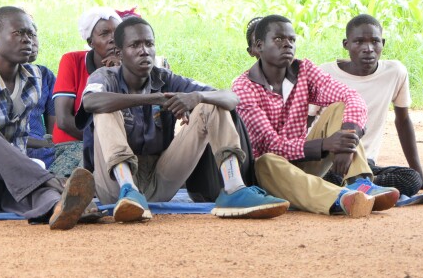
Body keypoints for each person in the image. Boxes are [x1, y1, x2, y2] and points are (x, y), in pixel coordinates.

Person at [79, 16, 289, 222]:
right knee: (105, 108)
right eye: (135, 45)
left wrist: (197, 97)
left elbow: (231, 98)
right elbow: (90, 102)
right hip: (114, 185)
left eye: (149, 44)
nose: (144, 51)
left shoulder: (165, 78)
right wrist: (155, 99)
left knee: (211, 103)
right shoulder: (105, 77)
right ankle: (129, 190)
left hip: (160, 180)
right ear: (120, 53)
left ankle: (234, 188)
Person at [232, 14, 400, 218]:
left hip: (303, 161)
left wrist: (346, 144)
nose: (287, 45)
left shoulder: (304, 70)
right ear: (258, 46)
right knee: (266, 160)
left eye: (292, 40)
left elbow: (351, 97)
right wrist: (326, 145)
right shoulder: (243, 87)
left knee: (339, 107)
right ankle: (340, 198)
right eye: (278, 39)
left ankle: (360, 183)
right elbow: (271, 145)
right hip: (268, 175)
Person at [0, 6, 97, 231]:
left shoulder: (34, 79)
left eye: (30, 34)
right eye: (18, 33)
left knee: (42, 193)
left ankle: (59, 206)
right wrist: (41, 174)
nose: (27, 40)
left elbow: (22, 142)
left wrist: (31, 172)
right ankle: (51, 182)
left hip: (14, 182)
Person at [316, 14, 423, 195]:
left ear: (383, 43)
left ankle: (360, 183)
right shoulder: (324, 73)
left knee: (412, 179)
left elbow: (403, 121)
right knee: (328, 176)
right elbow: (307, 122)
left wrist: (422, 177)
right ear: (346, 44)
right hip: (329, 161)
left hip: (365, 163)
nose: (368, 48)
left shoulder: (394, 72)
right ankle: (359, 187)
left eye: (375, 42)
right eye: (359, 42)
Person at [49, 8, 122, 176]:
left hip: (116, 145)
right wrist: (102, 141)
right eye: (104, 34)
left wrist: (119, 72)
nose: (113, 39)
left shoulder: (129, 67)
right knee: (84, 172)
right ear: (90, 42)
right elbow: (63, 120)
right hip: (72, 145)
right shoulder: (72, 61)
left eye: (117, 33)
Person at [25, 36, 56, 168]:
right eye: (20, 33)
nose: (30, 41)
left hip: (42, 149)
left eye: (33, 35)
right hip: (8, 150)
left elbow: (55, 124)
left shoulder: (44, 75)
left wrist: (50, 144)